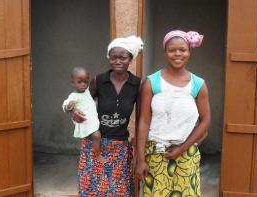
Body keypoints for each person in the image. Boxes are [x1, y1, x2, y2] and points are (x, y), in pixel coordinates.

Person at [136, 30, 211, 197]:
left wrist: (182, 148)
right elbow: (143, 121)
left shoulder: (198, 84)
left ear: (189, 52)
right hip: (156, 154)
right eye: (172, 50)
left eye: (182, 50)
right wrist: (140, 159)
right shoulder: (152, 82)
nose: (177, 54)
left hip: (187, 154)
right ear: (165, 53)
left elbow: (205, 121)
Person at [70, 35, 143, 196]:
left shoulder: (137, 84)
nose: (118, 61)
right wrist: (73, 112)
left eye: (123, 58)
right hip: (94, 143)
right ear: (109, 58)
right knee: (92, 189)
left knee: (118, 191)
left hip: (120, 147)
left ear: (130, 59)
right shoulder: (99, 80)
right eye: (113, 57)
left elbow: (141, 118)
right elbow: (81, 101)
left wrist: (138, 147)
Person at [62, 67, 104, 163]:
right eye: (79, 82)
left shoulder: (88, 92)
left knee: (94, 138)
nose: (83, 84)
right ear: (73, 83)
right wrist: (70, 107)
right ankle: (97, 155)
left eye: (85, 82)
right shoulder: (74, 96)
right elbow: (65, 104)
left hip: (93, 121)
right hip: (85, 122)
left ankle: (93, 154)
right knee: (97, 135)